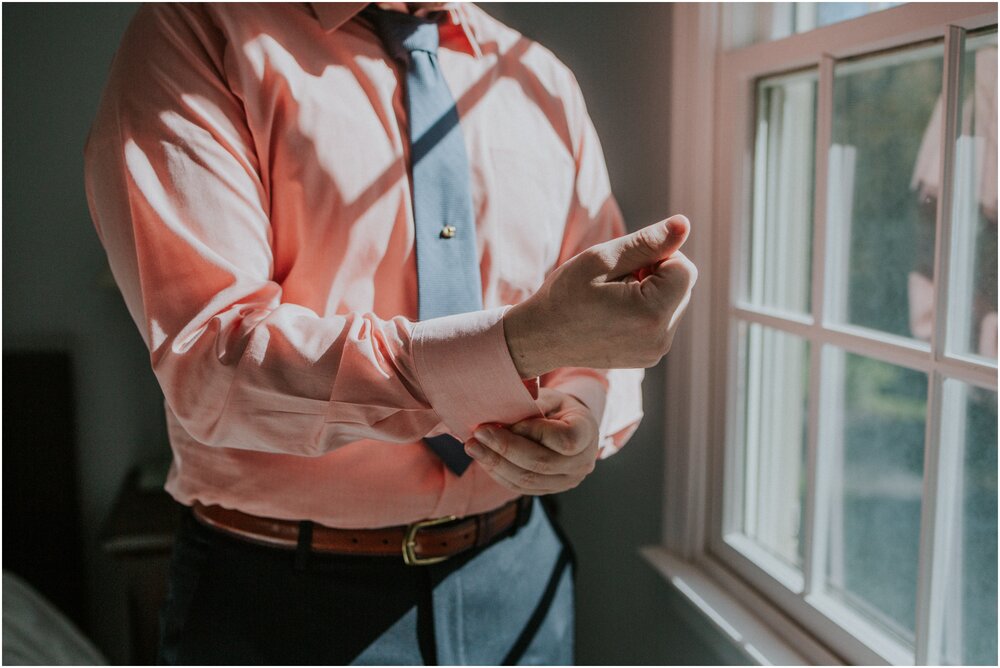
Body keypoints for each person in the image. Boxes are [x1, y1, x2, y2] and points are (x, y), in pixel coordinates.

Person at [84, 2, 697, 664]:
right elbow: (214, 361)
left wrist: (586, 405)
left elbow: (596, 312)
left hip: (524, 578)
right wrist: (516, 347)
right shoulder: (197, 28)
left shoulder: (542, 81)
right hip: (286, 607)